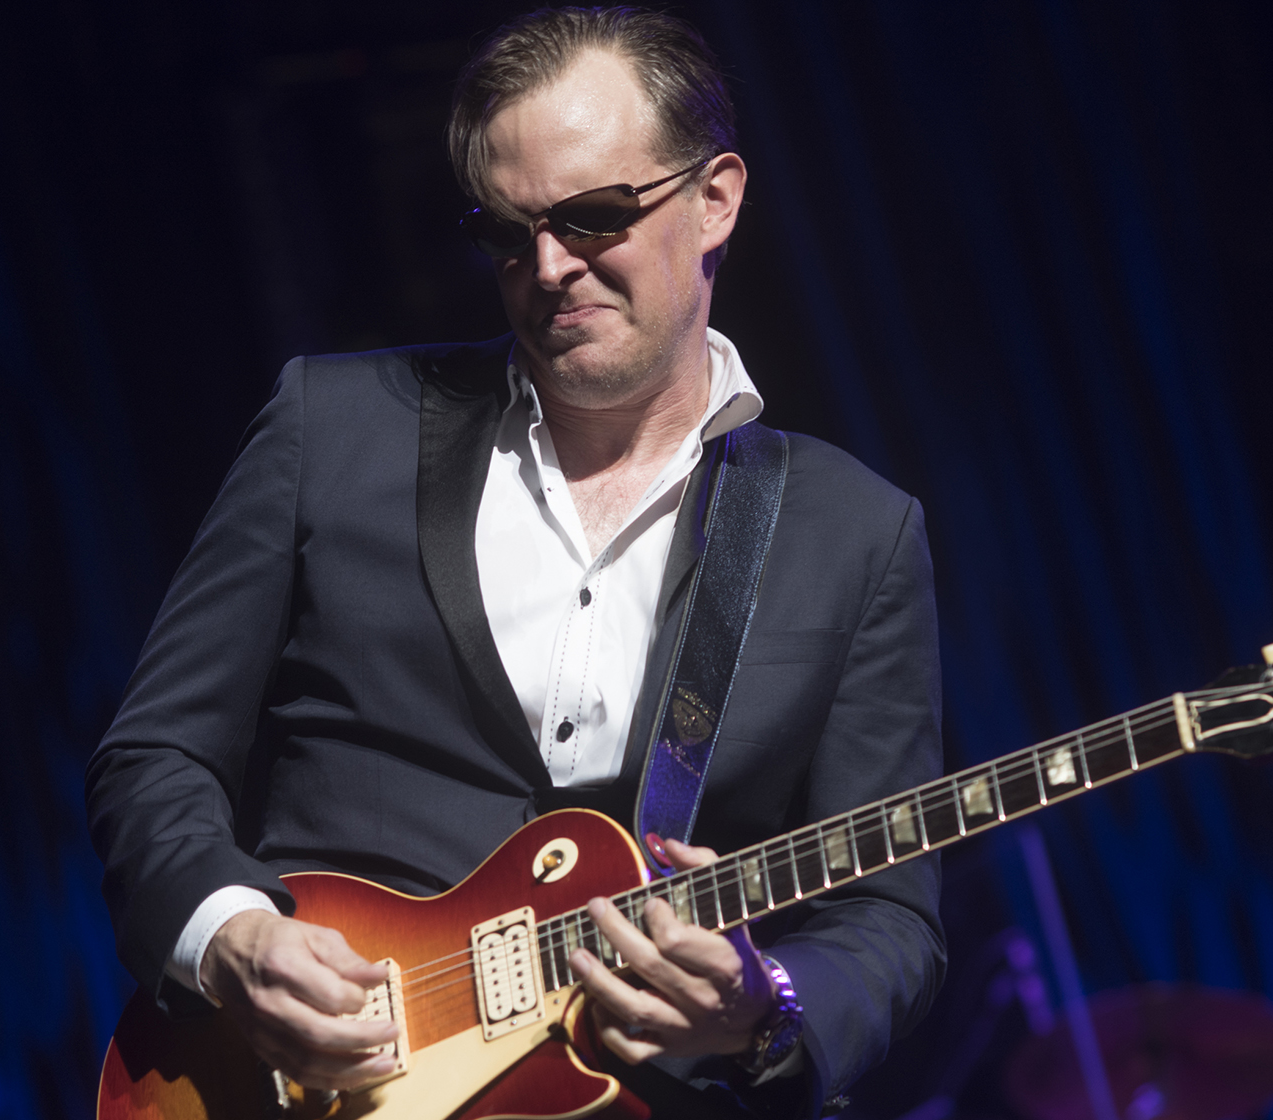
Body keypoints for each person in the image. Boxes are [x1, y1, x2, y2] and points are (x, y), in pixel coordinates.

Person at [84, 7, 945, 1116]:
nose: (547, 269)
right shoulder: (331, 430)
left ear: (715, 197)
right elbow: (153, 753)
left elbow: (889, 918)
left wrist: (767, 1000)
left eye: (591, 218)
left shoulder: (857, 533)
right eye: (504, 231)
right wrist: (229, 934)